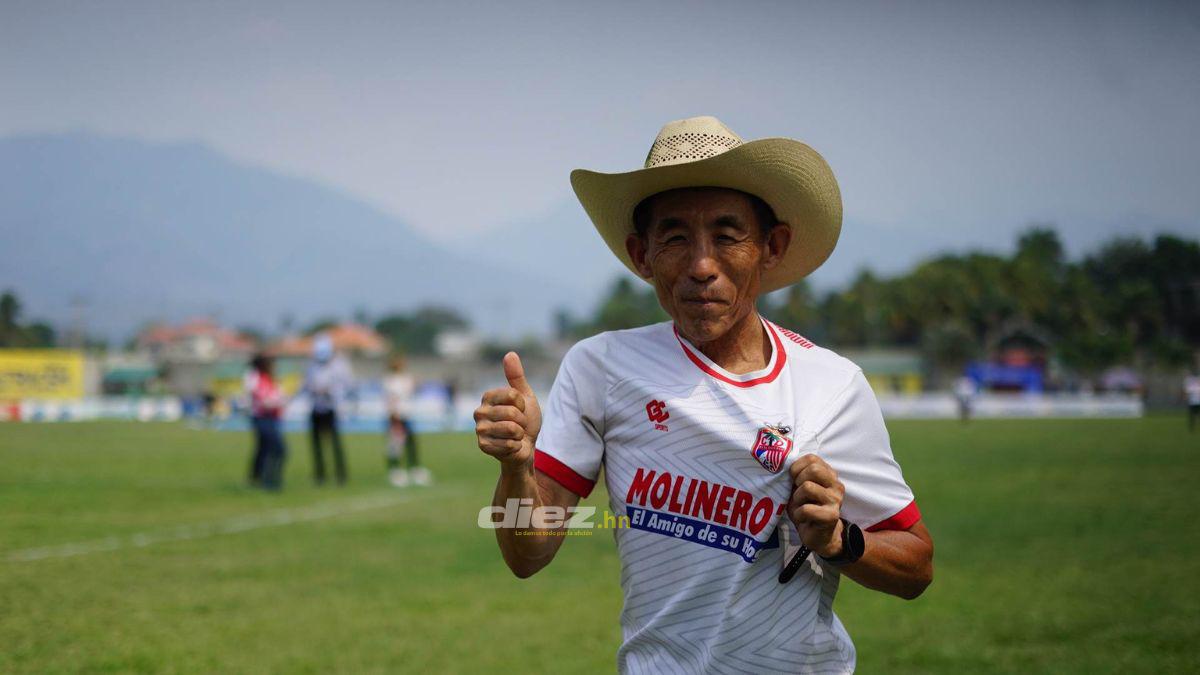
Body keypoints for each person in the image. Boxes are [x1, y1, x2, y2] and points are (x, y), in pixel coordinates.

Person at [475, 116, 933, 673]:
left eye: (726, 235)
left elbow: (916, 566)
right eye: (674, 238)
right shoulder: (602, 367)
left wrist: (840, 539)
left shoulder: (832, 385)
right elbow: (529, 552)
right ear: (642, 256)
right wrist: (516, 467)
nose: (701, 266)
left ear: (772, 245)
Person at [303, 334, 352, 485]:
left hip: (332, 409)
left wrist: (331, 391)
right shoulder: (311, 366)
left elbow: (348, 384)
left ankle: (341, 475)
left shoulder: (340, 365)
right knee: (316, 445)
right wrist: (314, 390)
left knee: (335, 444)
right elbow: (306, 385)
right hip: (316, 408)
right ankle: (320, 476)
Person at [383, 355, 431, 486]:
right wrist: (393, 415)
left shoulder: (405, 379)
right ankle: (395, 471)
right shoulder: (390, 380)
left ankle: (414, 469)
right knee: (395, 445)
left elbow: (415, 388)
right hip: (396, 416)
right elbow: (391, 398)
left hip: (406, 415)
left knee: (411, 443)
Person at [246, 353, 287, 490]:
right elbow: (263, 401)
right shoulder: (255, 378)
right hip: (263, 418)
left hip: (271, 418)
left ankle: (259, 478)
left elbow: (277, 395)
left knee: (263, 450)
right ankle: (269, 480)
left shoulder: (268, 379)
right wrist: (278, 402)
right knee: (278, 449)